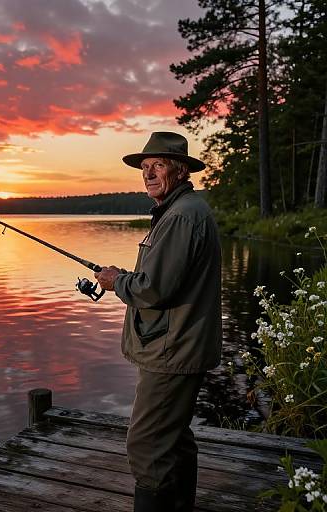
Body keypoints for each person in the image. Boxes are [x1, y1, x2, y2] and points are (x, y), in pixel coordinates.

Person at [94, 131, 222, 512]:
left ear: (180, 170)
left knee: (147, 444)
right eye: (144, 167)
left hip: (173, 349)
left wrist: (116, 280)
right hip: (180, 343)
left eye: (158, 165)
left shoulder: (181, 217)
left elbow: (154, 289)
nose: (148, 173)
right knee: (174, 436)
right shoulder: (182, 211)